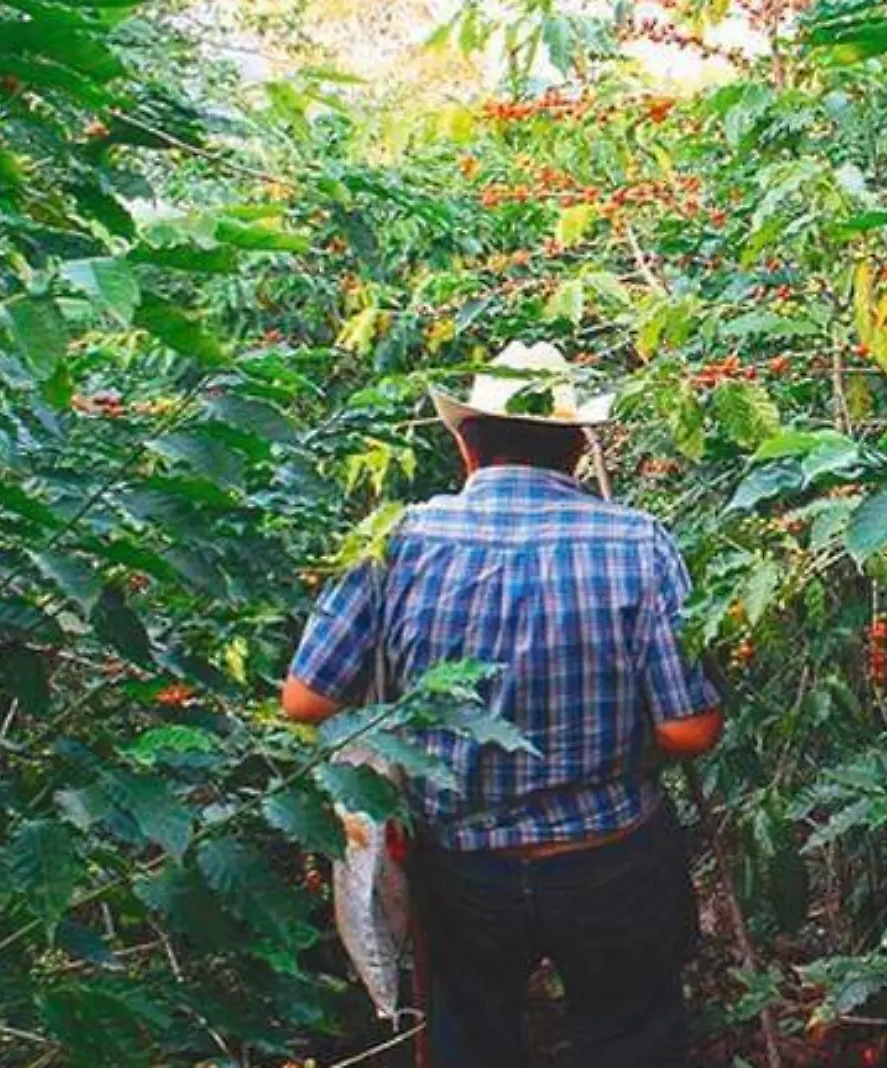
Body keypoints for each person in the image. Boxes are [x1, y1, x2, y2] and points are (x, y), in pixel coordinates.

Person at [282, 340, 723, 1068]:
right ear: (579, 446)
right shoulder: (637, 542)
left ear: (466, 443)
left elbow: (305, 699)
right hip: (608, 854)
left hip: (460, 865)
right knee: (629, 1036)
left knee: (471, 1041)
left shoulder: (398, 540)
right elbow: (690, 727)